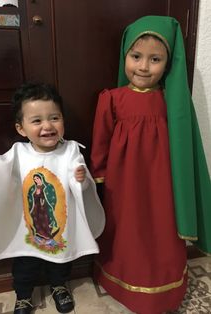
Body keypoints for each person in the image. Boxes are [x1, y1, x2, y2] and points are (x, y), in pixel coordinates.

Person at [90, 15, 211, 314]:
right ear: (125, 56)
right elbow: (101, 139)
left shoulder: (174, 104)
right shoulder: (112, 99)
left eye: (155, 59)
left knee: (160, 228)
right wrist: (100, 174)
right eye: (136, 56)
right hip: (124, 182)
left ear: (168, 64)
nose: (143, 67)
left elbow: (185, 149)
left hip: (161, 183)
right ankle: (121, 280)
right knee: (125, 229)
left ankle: (163, 288)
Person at [0, 82, 105, 314]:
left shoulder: (71, 151)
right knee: (25, 263)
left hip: (55, 220)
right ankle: (23, 295)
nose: (47, 126)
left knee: (61, 260)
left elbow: (82, 186)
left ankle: (59, 286)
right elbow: (4, 171)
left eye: (54, 118)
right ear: (21, 128)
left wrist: (81, 178)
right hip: (29, 224)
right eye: (37, 121)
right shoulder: (18, 152)